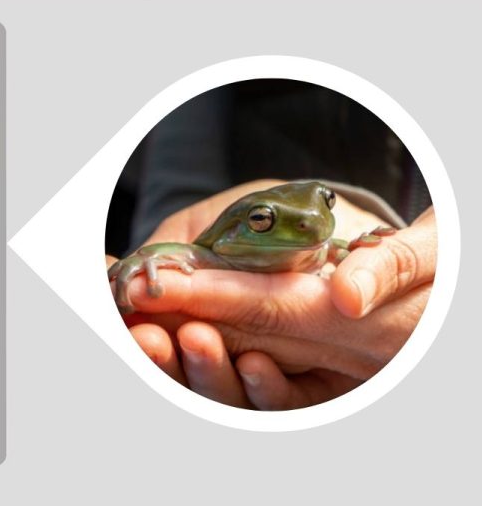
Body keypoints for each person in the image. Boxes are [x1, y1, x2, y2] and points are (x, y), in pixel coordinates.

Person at [106, 81, 435, 409]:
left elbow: (336, 248)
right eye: (262, 220)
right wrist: (146, 250)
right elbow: (178, 249)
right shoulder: (211, 255)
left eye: (328, 201)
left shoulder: (320, 247)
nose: (311, 222)